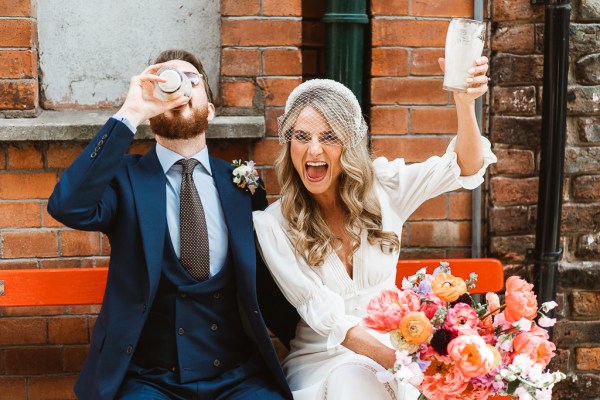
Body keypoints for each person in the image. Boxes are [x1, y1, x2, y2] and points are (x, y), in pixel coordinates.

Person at [48, 49, 292, 400]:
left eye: (192, 80)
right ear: (152, 113)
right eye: (166, 80)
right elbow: (67, 206)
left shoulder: (241, 184)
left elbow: (267, 285)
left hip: (236, 377)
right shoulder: (124, 179)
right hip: (148, 379)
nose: (179, 87)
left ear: (210, 109)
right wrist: (130, 112)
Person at [253, 57, 497, 399]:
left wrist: (464, 102)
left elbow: (464, 167)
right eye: (301, 136)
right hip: (324, 360)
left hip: (396, 347)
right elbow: (326, 316)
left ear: (350, 143)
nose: (313, 149)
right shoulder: (272, 225)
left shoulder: (385, 187)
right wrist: (409, 370)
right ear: (288, 142)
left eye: (329, 136)